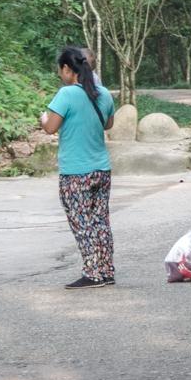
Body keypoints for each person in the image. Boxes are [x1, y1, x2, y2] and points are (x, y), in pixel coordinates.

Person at [40, 46, 118, 289]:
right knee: (100, 221)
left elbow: (50, 127)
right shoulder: (103, 93)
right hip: (101, 170)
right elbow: (108, 124)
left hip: (76, 172)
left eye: (60, 70)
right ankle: (106, 271)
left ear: (66, 68)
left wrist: (43, 117)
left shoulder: (66, 95)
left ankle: (92, 273)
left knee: (81, 222)